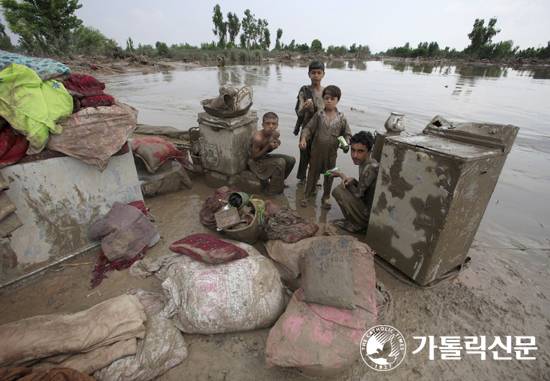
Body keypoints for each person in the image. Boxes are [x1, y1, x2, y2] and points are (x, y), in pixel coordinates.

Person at [299, 85, 351, 209]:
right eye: (326, 98)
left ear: (338, 100)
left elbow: (347, 134)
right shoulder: (318, 114)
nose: (329, 101)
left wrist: (346, 144)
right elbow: (308, 129)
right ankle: (307, 195)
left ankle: (326, 197)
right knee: (312, 173)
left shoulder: (341, 118)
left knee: (329, 175)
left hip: (331, 153)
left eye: (333, 98)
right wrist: (303, 139)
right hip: (316, 151)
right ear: (323, 99)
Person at [329, 131, 379, 233]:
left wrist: (341, 175)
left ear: (369, 152)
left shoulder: (371, 167)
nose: (355, 155)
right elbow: (365, 188)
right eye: (353, 150)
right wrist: (355, 181)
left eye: (360, 151)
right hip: (368, 205)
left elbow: (358, 194)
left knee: (340, 190)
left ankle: (360, 226)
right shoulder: (363, 162)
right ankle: (356, 221)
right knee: (343, 187)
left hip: (371, 214)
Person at [294, 60, 325, 187]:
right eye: (313, 73)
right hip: (307, 127)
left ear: (323, 74)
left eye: (318, 73)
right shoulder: (304, 91)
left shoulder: (326, 92)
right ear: (309, 74)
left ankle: (314, 178)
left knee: (317, 156)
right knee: (304, 154)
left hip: (321, 129)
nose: (316, 75)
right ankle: (302, 179)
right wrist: (306, 108)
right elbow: (299, 112)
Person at [249, 112, 296, 196]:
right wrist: (268, 146)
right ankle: (271, 191)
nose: (271, 126)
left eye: (273, 124)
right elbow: (254, 157)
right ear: (263, 125)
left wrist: (275, 145)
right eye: (268, 123)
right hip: (255, 163)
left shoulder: (276, 134)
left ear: (277, 125)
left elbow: (268, 151)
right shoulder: (258, 138)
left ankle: (279, 183)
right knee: (280, 162)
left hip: (265, 157)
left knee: (291, 160)